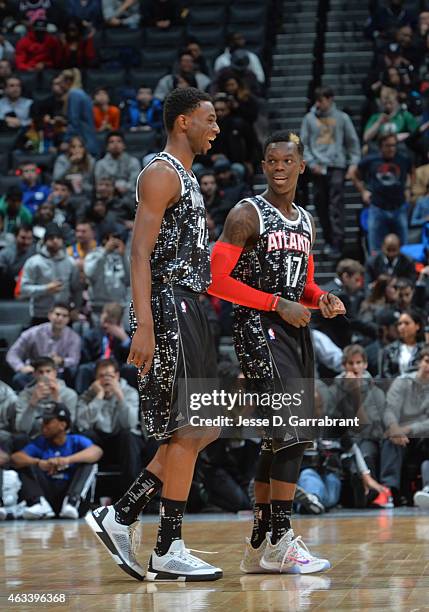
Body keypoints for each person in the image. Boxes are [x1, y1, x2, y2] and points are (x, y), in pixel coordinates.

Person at [85, 87, 223, 582]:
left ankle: (121, 514)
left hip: (189, 302)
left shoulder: (186, 176)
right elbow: (139, 253)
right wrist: (143, 322)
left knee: (206, 425)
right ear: (182, 122)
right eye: (209, 119)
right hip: (166, 303)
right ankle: (167, 545)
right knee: (189, 428)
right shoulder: (161, 173)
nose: (216, 128)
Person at [208, 130, 346, 573]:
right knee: (294, 432)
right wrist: (276, 304)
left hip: (292, 328)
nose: (280, 168)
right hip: (257, 329)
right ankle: (281, 541)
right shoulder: (247, 214)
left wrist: (320, 297)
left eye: (288, 161)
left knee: (278, 439)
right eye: (272, 161)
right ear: (264, 166)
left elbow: (301, 286)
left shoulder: (304, 219)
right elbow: (217, 280)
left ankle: (259, 544)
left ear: (302, 166)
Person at [12, 402, 102, 519]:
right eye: (43, 421)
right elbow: (16, 457)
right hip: (48, 493)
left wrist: (67, 460)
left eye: (47, 422)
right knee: (24, 463)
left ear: (62, 425)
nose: (43, 425)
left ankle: (72, 502)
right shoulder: (40, 442)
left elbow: (97, 451)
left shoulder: (76, 440)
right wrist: (39, 463)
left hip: (70, 492)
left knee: (90, 465)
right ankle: (38, 502)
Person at [300, 87, 361, 257]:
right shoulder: (309, 119)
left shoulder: (342, 118)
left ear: (330, 99)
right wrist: (311, 163)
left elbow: (352, 142)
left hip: (337, 166)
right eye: (317, 100)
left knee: (336, 203)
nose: (318, 104)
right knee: (320, 205)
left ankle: (337, 241)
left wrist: (353, 163)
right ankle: (328, 238)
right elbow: (303, 143)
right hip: (317, 167)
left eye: (321, 100)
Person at [76, 357, 142, 489]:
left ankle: (132, 493)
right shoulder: (87, 395)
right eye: (101, 376)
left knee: (128, 435)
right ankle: (82, 493)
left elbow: (130, 424)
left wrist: (119, 396)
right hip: (99, 443)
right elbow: (82, 425)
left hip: (120, 443)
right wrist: (99, 396)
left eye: (110, 376)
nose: (106, 380)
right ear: (95, 378)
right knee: (85, 436)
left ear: (117, 376)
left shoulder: (129, 393)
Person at [380, 345, 429, 500]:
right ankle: (389, 491)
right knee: (392, 439)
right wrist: (394, 427)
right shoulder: (402, 382)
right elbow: (389, 409)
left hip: (422, 435)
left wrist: (408, 428)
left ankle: (427, 489)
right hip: (400, 432)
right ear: (420, 362)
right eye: (427, 361)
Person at [351, 133, 413, 254]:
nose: (392, 149)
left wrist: (409, 189)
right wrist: (363, 191)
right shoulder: (371, 160)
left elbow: (412, 172)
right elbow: (353, 174)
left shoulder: (403, 159)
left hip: (399, 207)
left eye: (394, 145)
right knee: (375, 249)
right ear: (381, 147)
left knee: (404, 248)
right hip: (377, 208)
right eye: (388, 146)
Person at [6, 303, 81, 390]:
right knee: (18, 378)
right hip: (34, 371)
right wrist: (21, 367)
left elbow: (74, 360)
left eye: (64, 316)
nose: (60, 318)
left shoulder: (74, 337)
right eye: (57, 314)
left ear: (68, 319)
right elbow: (12, 354)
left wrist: (62, 361)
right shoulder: (33, 333)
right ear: (49, 315)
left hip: (59, 373)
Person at [20, 223, 82, 325]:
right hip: (40, 314)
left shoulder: (70, 263)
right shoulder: (33, 262)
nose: (55, 241)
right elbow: (24, 289)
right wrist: (46, 289)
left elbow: (77, 289)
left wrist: (76, 308)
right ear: (44, 241)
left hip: (63, 315)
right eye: (51, 238)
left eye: (58, 238)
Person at [75, 301, 134, 393]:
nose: (106, 325)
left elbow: (131, 358)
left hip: (117, 366)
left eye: (110, 322)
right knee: (84, 369)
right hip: (96, 364)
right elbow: (85, 357)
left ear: (118, 321)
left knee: (131, 369)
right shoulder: (91, 335)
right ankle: (82, 398)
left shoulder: (125, 336)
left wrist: (124, 339)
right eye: (105, 321)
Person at [15, 357, 78, 439]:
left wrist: (58, 401)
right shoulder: (24, 395)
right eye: (40, 372)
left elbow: (68, 428)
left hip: (59, 437)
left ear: (55, 373)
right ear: (34, 374)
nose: (45, 376)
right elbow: (21, 428)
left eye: (48, 371)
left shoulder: (69, 394)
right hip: (34, 438)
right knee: (20, 438)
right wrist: (32, 403)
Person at [83, 225, 130, 317]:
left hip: (119, 308)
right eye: (113, 238)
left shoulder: (124, 257)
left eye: (119, 238)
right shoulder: (94, 255)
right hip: (98, 308)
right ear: (105, 239)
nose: (116, 241)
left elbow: (129, 281)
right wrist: (105, 252)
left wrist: (123, 256)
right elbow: (90, 274)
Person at [380, 308, 426, 379]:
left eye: (406, 323)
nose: (402, 327)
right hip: (394, 388)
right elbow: (384, 375)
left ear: (417, 326)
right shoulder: (389, 350)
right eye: (399, 324)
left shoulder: (425, 349)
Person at [94, 131, 140, 199]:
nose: (115, 144)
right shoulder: (100, 164)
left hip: (129, 196)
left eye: (119, 141)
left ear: (124, 145)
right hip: (106, 197)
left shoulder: (133, 162)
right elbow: (99, 184)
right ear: (107, 147)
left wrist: (124, 187)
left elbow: (135, 184)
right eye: (111, 142)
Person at [0, 223, 35, 297]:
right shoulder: (4, 253)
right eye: (23, 238)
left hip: (28, 288)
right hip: (7, 290)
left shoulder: (35, 253)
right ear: (15, 237)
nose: (26, 242)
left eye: (29, 238)